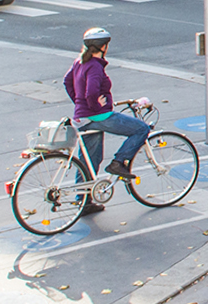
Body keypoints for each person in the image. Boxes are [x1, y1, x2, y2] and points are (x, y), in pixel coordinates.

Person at [62, 27, 152, 215]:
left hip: (82, 118)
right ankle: (118, 162)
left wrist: (79, 104)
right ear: (103, 46)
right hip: (98, 116)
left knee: (90, 159)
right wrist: (95, 106)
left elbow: (67, 82)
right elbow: (92, 92)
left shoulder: (79, 61)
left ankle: (84, 201)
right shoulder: (94, 66)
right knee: (141, 129)